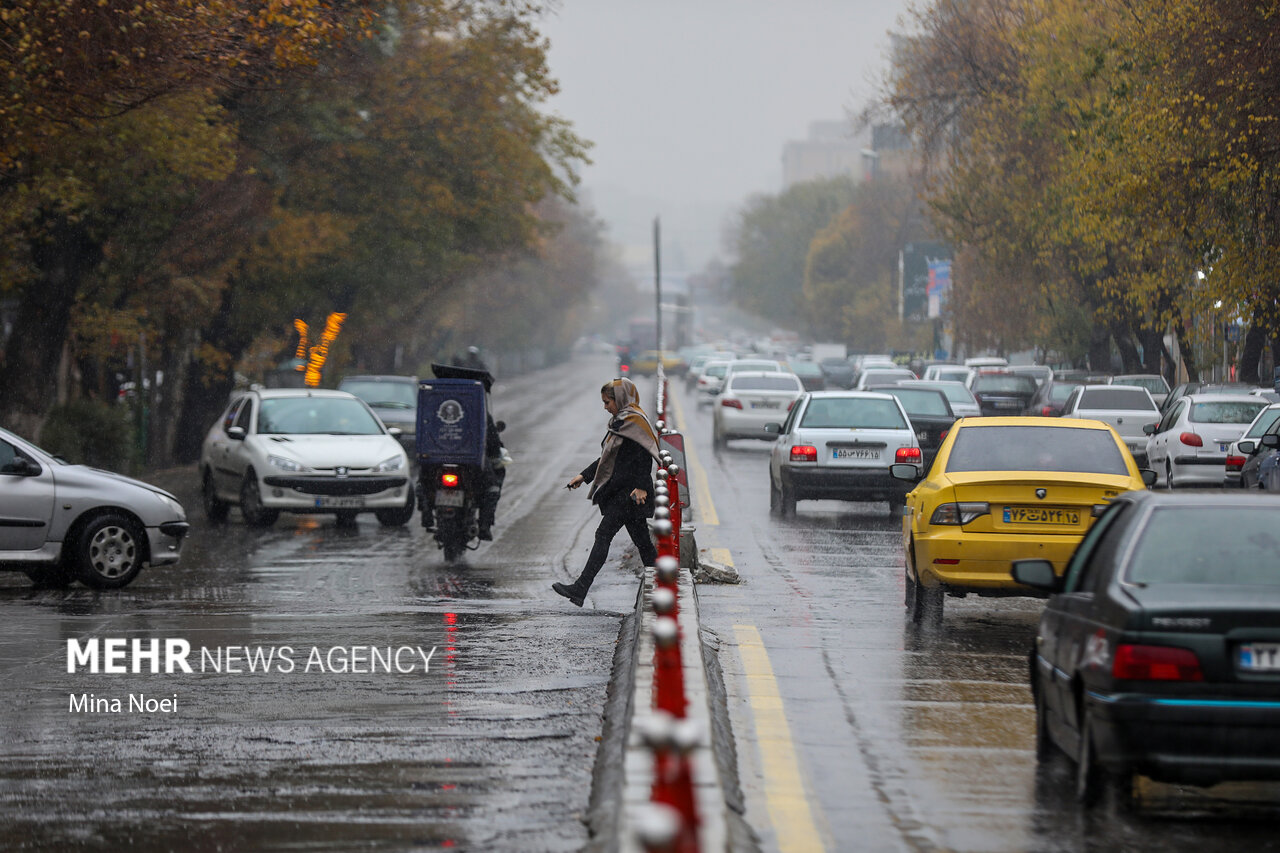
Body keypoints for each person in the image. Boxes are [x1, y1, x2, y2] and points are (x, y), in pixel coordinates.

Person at [554, 377, 661, 606]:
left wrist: (642, 486)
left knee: (604, 535)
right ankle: (663, 585)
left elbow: (645, 455)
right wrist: (584, 476)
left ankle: (580, 588)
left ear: (620, 399)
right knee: (643, 544)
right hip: (624, 492)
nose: (605, 407)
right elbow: (607, 458)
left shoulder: (634, 421)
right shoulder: (621, 421)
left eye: (607, 402)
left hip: (630, 493)